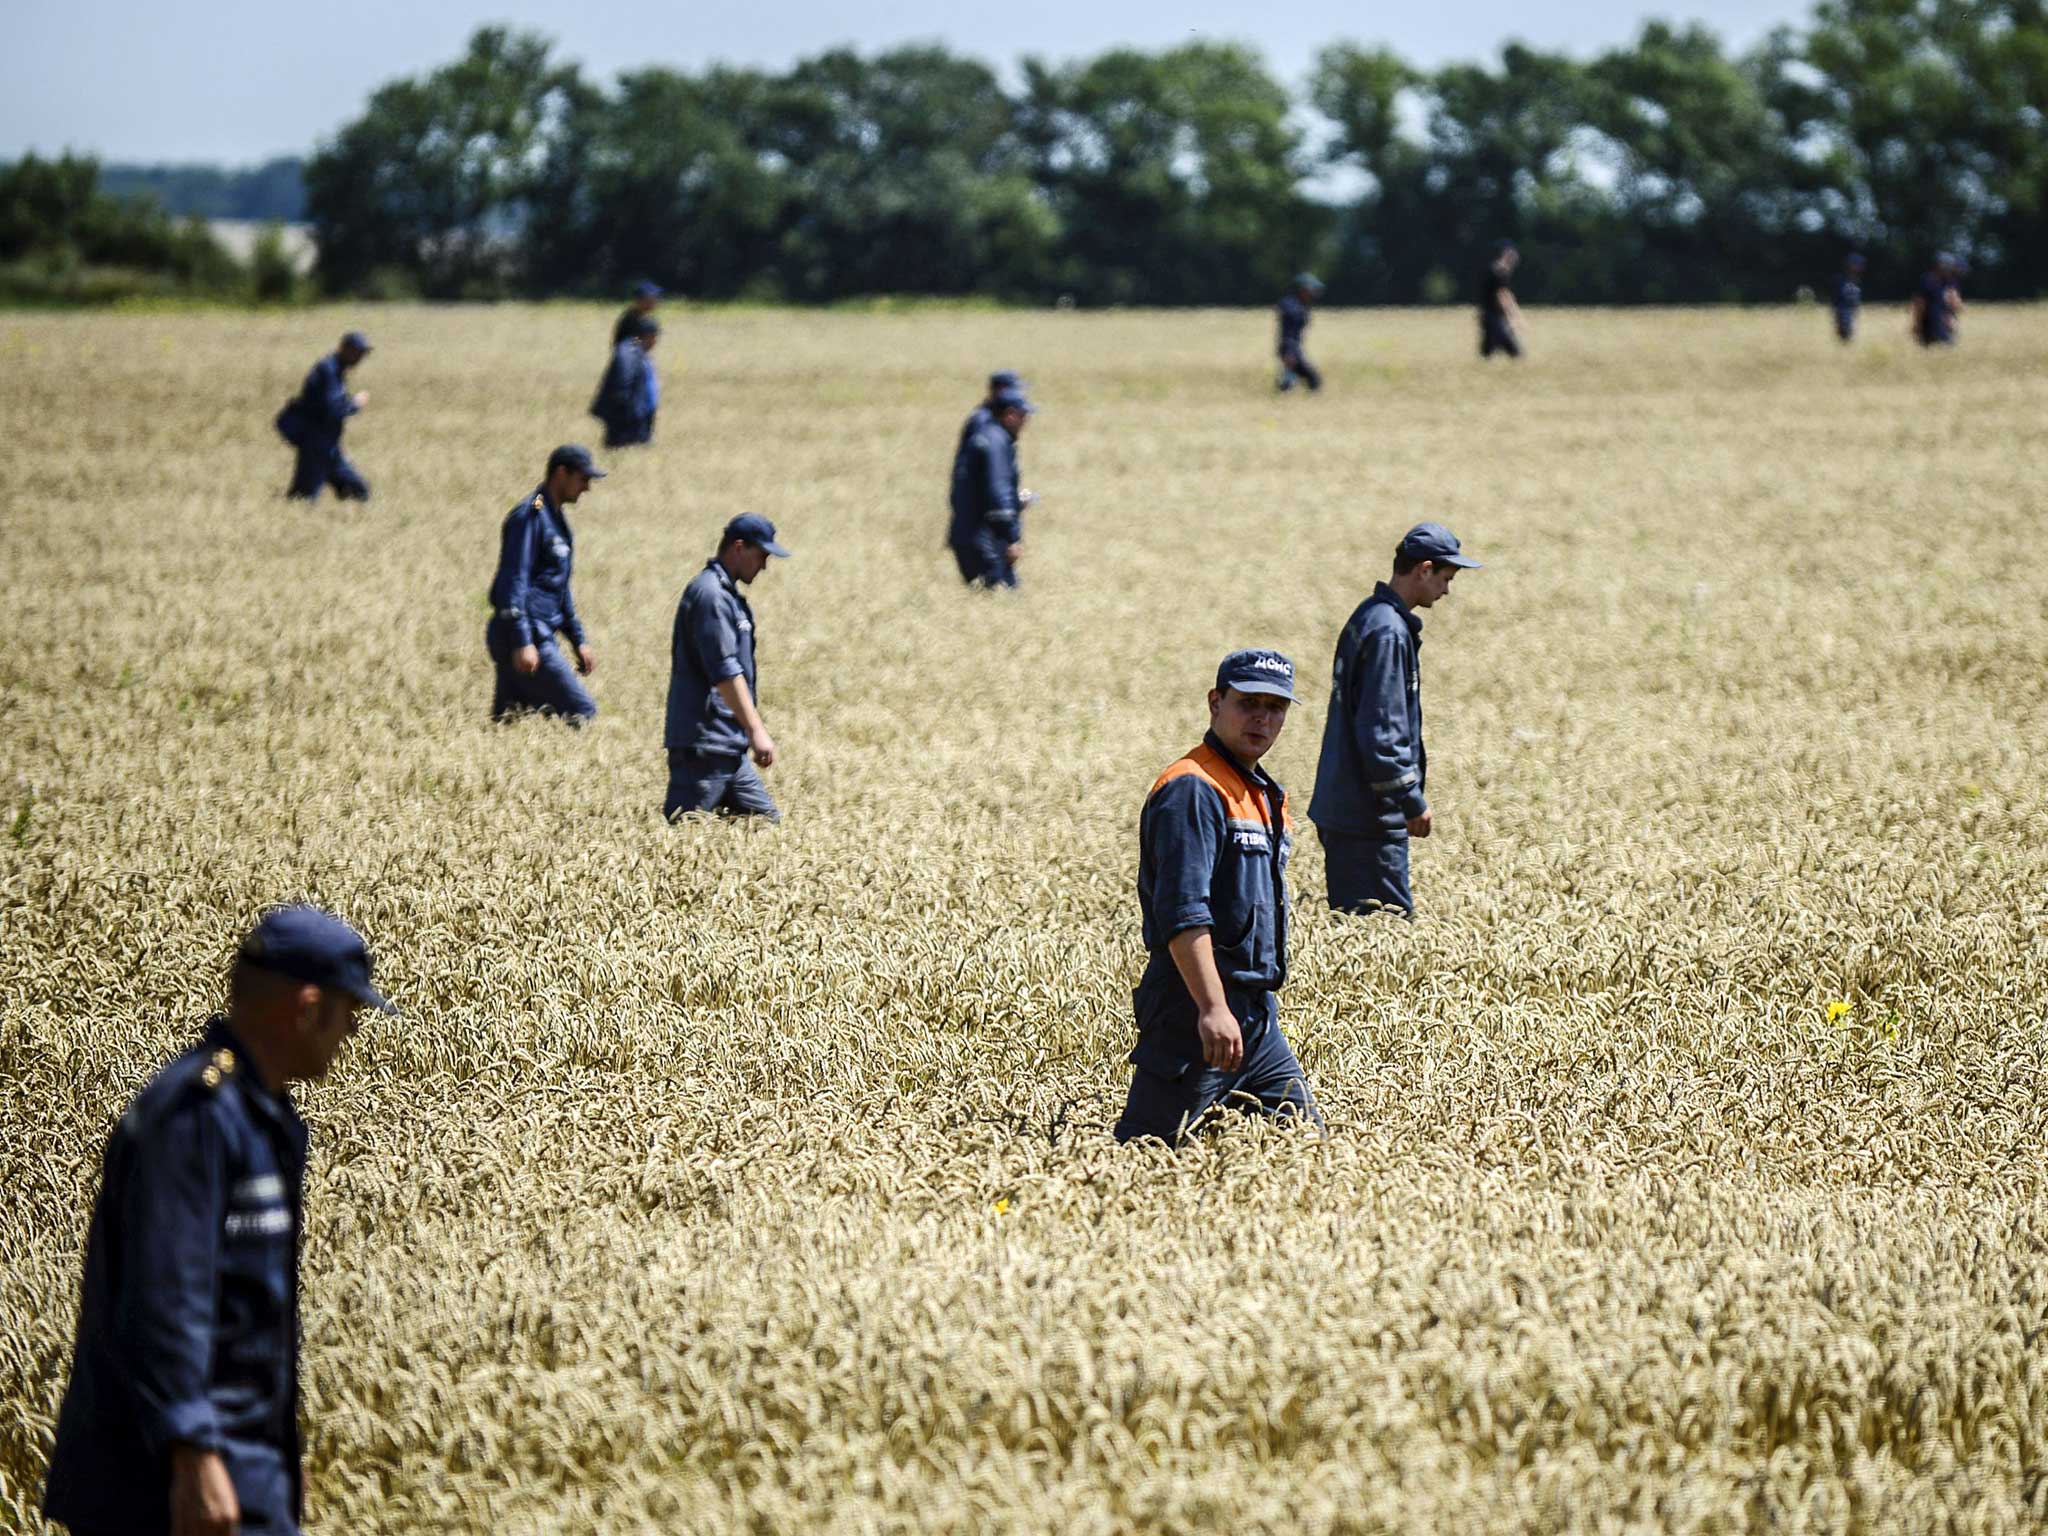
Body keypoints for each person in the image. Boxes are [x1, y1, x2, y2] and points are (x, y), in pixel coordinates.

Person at [42, 905, 395, 1536]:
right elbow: (166, 1296)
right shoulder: (195, 1117)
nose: (349, 1036)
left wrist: (275, 1457)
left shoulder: (256, 1114)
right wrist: (193, 1455)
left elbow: (247, 1313)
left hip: (239, 1463)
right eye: (348, 1014)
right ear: (308, 1007)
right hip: (162, 1484)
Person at [1116, 650, 1323, 1147]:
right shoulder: (1192, 788)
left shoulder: (1258, 791)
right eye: (1248, 702)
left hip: (1255, 1015)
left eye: (1275, 707)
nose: (1262, 718)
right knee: (1149, 1151)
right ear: (1215, 702)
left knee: (1304, 1143)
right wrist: (1211, 1007)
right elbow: (1183, 913)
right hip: (1194, 1010)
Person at [1308, 522, 1481, 918]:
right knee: (1383, 928)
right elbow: (1381, 730)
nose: (1447, 590)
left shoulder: (1371, 616)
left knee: (1362, 931)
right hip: (1367, 816)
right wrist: (1410, 799)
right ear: (1423, 569)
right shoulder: (1388, 632)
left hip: (1348, 809)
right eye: (1446, 578)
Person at [664, 513, 791, 821]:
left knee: (765, 824)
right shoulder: (711, 596)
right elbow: (724, 672)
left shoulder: (728, 597)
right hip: (705, 742)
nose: (764, 566)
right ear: (738, 548)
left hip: (727, 743)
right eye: (761, 555)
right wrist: (756, 730)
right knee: (684, 834)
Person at [486, 445, 605, 726]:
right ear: (561, 474)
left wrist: (578, 639)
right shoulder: (531, 516)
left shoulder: (554, 517)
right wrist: (522, 641)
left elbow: (558, 588)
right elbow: (513, 580)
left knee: (509, 722)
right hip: (526, 635)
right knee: (582, 711)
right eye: (583, 479)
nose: (587, 488)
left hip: (535, 631)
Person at [947, 385, 1034, 589]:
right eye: (1023, 415)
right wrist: (1011, 537)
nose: (1026, 421)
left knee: (985, 597)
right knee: (1003, 599)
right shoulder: (997, 442)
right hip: (985, 540)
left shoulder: (986, 435)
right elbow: (998, 492)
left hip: (967, 535)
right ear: (1010, 415)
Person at [275, 331, 371, 502]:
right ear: (345, 348)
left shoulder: (334, 369)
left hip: (326, 447)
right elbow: (332, 409)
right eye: (358, 352)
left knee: (357, 491)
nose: (361, 357)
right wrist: (355, 404)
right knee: (304, 498)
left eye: (363, 353)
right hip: (316, 446)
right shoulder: (329, 370)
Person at [591, 316, 659, 447]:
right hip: (628, 419)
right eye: (654, 337)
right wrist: (626, 416)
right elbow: (622, 385)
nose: (655, 342)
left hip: (639, 416)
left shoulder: (638, 352)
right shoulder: (628, 352)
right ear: (647, 335)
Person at [1275, 273, 1324, 392]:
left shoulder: (1300, 305)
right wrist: (1289, 353)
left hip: (1293, 348)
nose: (1314, 293)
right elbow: (1288, 332)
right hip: (1290, 348)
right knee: (1313, 379)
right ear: (1302, 289)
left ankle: (1285, 387)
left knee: (1297, 380)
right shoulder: (1291, 305)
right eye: (1311, 289)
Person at [1479, 242, 1523, 360]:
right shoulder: (1499, 273)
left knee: (1487, 353)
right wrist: (1513, 316)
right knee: (1515, 352)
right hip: (1493, 317)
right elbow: (1503, 296)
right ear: (1507, 257)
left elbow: (1505, 295)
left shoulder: (1494, 271)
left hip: (1487, 316)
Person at [1912, 252, 1964, 347]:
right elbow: (1919, 303)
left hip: (1945, 327)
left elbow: (1957, 306)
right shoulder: (1927, 281)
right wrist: (1917, 324)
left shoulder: (1951, 283)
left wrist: (1953, 316)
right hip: (1928, 325)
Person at [613, 280, 661, 346]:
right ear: (639, 300)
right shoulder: (632, 319)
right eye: (649, 300)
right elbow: (632, 345)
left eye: (655, 299)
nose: (654, 303)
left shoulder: (645, 317)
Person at [1831, 252, 1865, 343]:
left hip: (1851, 311)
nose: (1859, 266)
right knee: (1844, 335)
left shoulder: (1856, 280)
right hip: (1843, 311)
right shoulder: (1840, 279)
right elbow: (1836, 299)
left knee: (1850, 334)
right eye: (1856, 264)